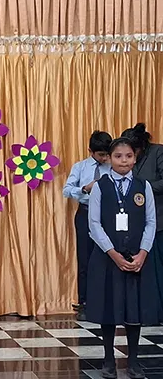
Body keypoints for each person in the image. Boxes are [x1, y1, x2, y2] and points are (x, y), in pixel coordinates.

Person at [87, 137, 158, 379]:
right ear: (109, 158)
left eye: (128, 156)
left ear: (135, 158)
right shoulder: (100, 186)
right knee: (108, 308)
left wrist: (143, 253)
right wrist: (113, 253)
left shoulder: (143, 186)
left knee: (133, 310)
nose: (124, 161)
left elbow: (151, 222)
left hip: (136, 258)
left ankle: (134, 361)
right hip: (108, 258)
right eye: (118, 156)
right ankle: (108, 359)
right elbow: (94, 224)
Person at [63, 130, 112, 320]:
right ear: (90, 151)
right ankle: (84, 303)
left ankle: (106, 302)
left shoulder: (113, 167)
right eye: (101, 155)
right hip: (85, 213)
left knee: (107, 258)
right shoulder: (80, 167)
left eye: (107, 154)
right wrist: (85, 188)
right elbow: (66, 190)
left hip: (107, 216)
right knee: (85, 259)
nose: (104, 158)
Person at [121, 123, 163, 318]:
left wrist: (143, 188)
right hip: (138, 224)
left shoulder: (158, 152)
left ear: (142, 146)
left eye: (132, 152)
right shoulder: (129, 162)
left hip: (159, 220)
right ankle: (147, 313)